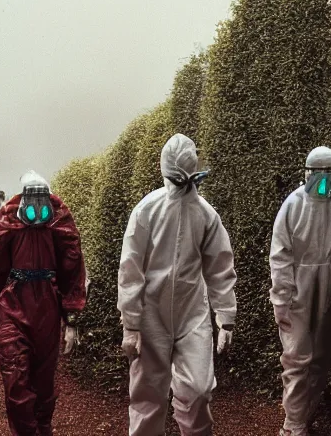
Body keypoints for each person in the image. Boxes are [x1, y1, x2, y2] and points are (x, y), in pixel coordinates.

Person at [118, 133, 237, 436]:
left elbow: (219, 267)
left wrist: (225, 319)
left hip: (191, 314)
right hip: (151, 314)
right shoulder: (147, 211)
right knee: (147, 397)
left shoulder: (206, 215)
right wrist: (131, 324)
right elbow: (131, 271)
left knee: (198, 390)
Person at [0, 171, 86, 436]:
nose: (36, 208)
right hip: (14, 304)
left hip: (47, 308)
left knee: (44, 382)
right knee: (15, 379)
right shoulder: (7, 221)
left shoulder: (61, 223)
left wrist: (71, 319)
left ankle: (42, 430)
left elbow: (72, 269)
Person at [270, 146, 331, 436]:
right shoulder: (293, 206)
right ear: (308, 173)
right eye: (320, 173)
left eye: (330, 173)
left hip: (327, 294)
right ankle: (293, 425)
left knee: (321, 358)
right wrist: (282, 297)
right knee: (297, 357)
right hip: (297, 290)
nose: (325, 180)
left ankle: (303, 416)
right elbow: (281, 256)